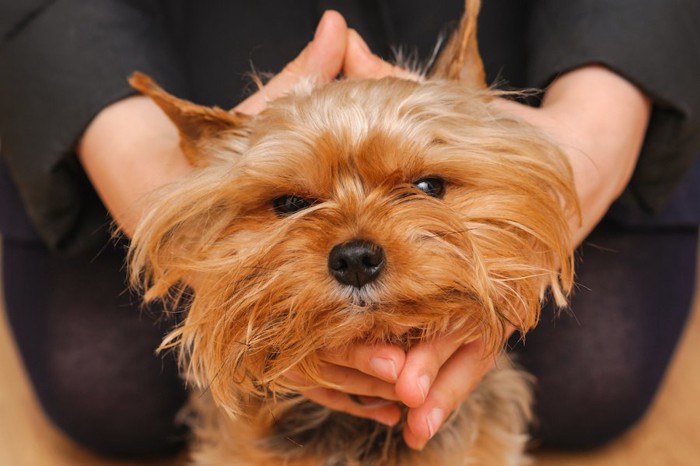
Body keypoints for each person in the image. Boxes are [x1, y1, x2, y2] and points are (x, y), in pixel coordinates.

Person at [1, 0, 698, 460]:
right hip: (170, 31)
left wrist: (593, 133)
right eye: (289, 202)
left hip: (548, 37)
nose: (356, 245)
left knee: (598, 375)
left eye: (424, 187)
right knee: (101, 385)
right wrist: (134, 155)